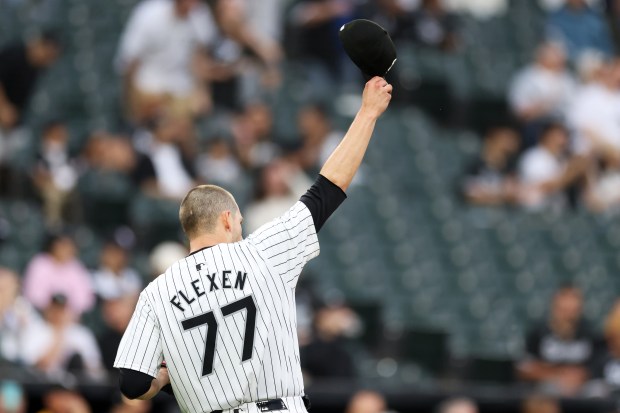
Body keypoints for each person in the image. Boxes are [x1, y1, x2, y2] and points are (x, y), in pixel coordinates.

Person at [113, 76, 392, 412]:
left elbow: (132, 382)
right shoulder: (261, 252)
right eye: (240, 222)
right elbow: (329, 187)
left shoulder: (156, 293)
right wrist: (367, 114)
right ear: (228, 219)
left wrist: (163, 380)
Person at [116, 0, 217, 123]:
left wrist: (203, 93)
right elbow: (130, 62)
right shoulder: (148, 14)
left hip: (182, 89)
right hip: (149, 87)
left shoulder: (200, 15)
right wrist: (130, 106)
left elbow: (199, 58)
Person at [518, 285, 596, 396]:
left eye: (573, 311)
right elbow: (524, 368)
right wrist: (556, 375)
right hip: (547, 388)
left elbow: (598, 366)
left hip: (581, 389)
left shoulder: (590, 334)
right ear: (555, 307)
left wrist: (580, 375)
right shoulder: (538, 332)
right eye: (564, 310)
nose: (568, 315)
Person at [517, 123, 588, 211]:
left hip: (555, 215)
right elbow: (543, 187)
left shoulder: (561, 160)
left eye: (566, 136)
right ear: (546, 136)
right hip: (534, 213)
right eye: (559, 135)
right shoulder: (534, 157)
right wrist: (573, 171)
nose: (564, 140)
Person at [22, 233, 95, 319]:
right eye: (62, 245)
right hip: (40, 316)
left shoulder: (77, 268)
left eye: (68, 246)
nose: (65, 249)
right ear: (53, 245)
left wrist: (66, 311)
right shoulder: (40, 263)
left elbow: (85, 301)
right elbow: (32, 295)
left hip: (68, 319)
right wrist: (52, 309)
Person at [460, 126, 521, 206]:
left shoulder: (510, 167)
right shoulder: (475, 163)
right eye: (504, 138)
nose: (508, 143)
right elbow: (469, 195)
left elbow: (514, 196)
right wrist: (499, 196)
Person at [546, 0, 613, 61]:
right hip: (565, 66)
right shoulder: (555, 19)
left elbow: (607, 49)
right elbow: (553, 47)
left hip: (596, 66)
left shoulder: (596, 19)